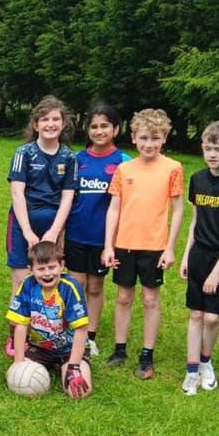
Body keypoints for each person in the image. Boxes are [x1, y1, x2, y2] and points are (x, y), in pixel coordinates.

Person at [101, 108, 184, 379]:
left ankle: (147, 355)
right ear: (134, 137)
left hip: (154, 245)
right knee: (123, 297)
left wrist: (170, 247)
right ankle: (120, 349)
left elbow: (178, 209)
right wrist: (108, 245)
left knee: (150, 299)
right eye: (144, 137)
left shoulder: (173, 168)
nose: (150, 144)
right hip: (125, 243)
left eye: (156, 138)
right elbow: (113, 208)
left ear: (164, 139)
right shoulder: (124, 169)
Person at [178, 120, 219, 396]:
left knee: (211, 318)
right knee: (195, 313)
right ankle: (192, 370)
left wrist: (218, 271)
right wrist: (185, 255)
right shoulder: (198, 179)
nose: (212, 154)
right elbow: (195, 221)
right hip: (198, 255)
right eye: (208, 148)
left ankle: (207, 362)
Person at [63, 103, 129, 358]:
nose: (99, 131)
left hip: (103, 239)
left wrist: (114, 241)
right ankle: (73, 332)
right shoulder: (77, 160)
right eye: (93, 126)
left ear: (116, 129)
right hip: (76, 234)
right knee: (76, 285)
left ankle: (90, 336)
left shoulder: (123, 162)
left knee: (95, 288)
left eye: (104, 126)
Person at [6, 97, 79, 306]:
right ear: (35, 124)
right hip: (22, 225)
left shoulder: (69, 157)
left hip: (52, 226)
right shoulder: (24, 153)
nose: (50, 124)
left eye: (56, 119)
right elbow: (17, 193)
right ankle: (17, 337)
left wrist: (56, 232)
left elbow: (68, 198)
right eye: (44, 119)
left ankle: (46, 335)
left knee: (49, 282)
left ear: (63, 124)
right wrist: (27, 231)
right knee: (22, 283)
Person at [7, 241, 93, 399]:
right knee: (13, 377)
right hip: (40, 349)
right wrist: (18, 362)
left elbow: (81, 329)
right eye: (40, 269)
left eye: (52, 267)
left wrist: (74, 367)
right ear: (31, 270)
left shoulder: (70, 287)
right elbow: (20, 324)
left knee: (79, 393)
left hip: (69, 349)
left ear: (62, 265)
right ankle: (51, 364)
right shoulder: (28, 284)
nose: (47, 273)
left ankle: (66, 365)